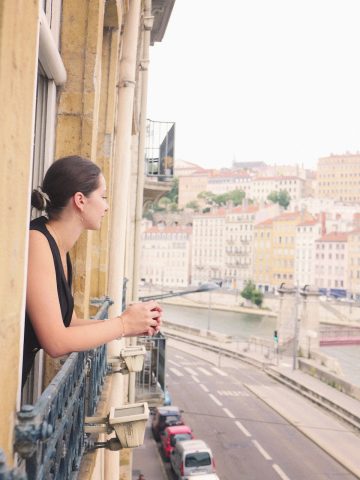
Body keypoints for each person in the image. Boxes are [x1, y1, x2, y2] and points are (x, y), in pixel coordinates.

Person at [22, 155, 162, 387]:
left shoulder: (58, 247)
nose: (106, 206)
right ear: (80, 200)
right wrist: (123, 324)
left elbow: (69, 323)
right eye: (103, 196)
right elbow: (56, 342)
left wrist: (133, 323)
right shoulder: (37, 241)